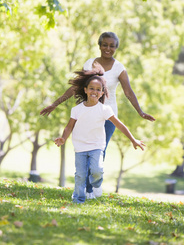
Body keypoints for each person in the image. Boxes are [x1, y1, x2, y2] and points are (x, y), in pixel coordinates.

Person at [40, 32, 155, 197]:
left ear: (116, 48)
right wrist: (55, 104)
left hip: (107, 115)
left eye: (112, 46)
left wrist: (140, 112)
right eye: (105, 45)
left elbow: (128, 92)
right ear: (99, 45)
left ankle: (91, 188)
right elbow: (75, 87)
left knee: (100, 150)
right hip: (87, 113)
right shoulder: (90, 63)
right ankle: (86, 189)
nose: (108, 48)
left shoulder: (119, 68)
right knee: (86, 149)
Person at [54, 65, 146, 204]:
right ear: (85, 90)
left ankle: (96, 183)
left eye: (98, 89)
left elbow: (119, 125)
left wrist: (133, 140)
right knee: (80, 175)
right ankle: (78, 199)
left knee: (97, 171)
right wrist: (63, 138)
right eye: (91, 88)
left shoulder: (105, 109)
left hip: (97, 146)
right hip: (80, 147)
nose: (94, 91)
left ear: (102, 93)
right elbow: (69, 127)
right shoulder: (77, 109)